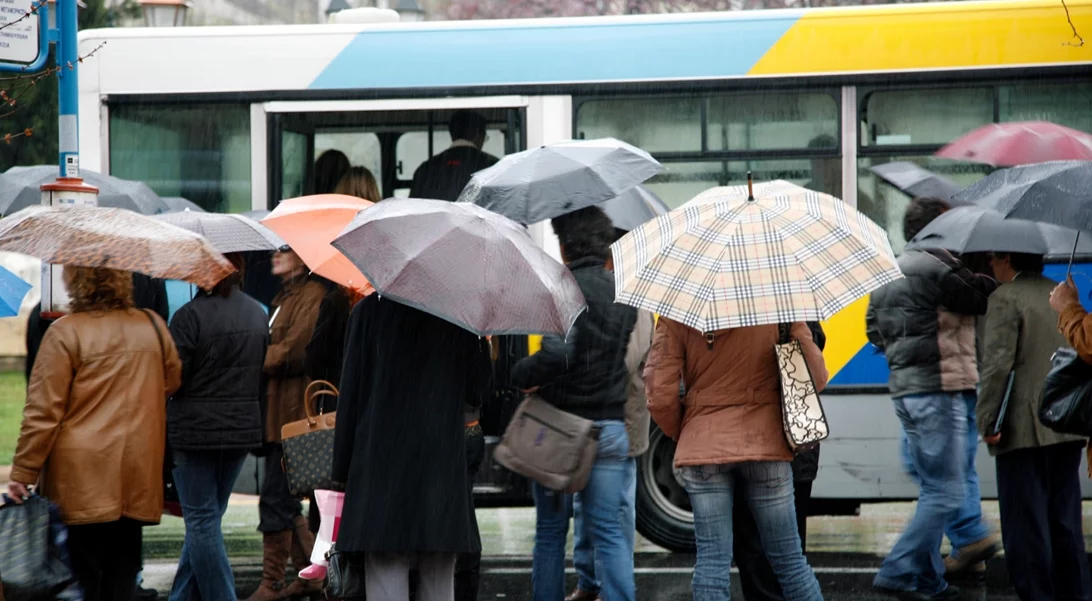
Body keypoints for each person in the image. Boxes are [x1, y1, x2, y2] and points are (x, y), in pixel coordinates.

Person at [7, 266, 182, 601]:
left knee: (84, 576)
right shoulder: (152, 325)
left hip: (80, 476)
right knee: (123, 573)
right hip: (137, 470)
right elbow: (171, 381)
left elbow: (43, 412)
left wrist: (23, 472)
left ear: (74, 283)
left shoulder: (65, 332)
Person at [865, 197, 1000, 601]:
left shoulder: (889, 268)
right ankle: (899, 569)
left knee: (935, 487)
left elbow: (874, 331)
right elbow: (983, 297)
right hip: (941, 390)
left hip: (906, 392)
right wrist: (984, 263)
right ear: (939, 226)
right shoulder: (940, 267)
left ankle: (928, 580)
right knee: (946, 490)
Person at [645, 312, 827, 601]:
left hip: (704, 443)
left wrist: (688, 430)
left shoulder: (679, 311)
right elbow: (815, 375)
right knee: (790, 562)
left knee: (712, 563)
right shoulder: (779, 304)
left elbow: (658, 392)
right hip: (765, 443)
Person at [510, 207, 638, 601]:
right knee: (609, 532)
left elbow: (558, 355)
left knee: (551, 531)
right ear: (603, 245)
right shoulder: (624, 292)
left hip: (560, 433)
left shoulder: (565, 288)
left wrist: (522, 374)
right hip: (611, 430)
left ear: (565, 247)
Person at [332, 295, 492, 601]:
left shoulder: (367, 312)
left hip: (381, 465)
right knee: (438, 573)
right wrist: (480, 342)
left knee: (386, 569)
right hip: (439, 466)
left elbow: (350, 395)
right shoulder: (457, 314)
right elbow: (479, 391)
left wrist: (341, 469)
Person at [978, 252, 1091, 601]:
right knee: (1065, 521)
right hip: (1066, 423)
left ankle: (1037, 594)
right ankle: (1076, 593)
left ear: (1005, 258)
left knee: (1026, 526)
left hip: (1022, 428)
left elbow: (997, 366)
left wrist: (986, 420)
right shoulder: (1058, 296)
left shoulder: (1004, 298)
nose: (989, 265)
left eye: (991, 258)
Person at [166, 253, 270, 601]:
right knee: (207, 521)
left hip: (194, 434)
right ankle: (180, 596)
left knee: (201, 522)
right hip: (240, 431)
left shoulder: (187, 317)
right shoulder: (258, 313)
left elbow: (171, 380)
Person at [567, 227, 654, 601]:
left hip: (623, 419)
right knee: (584, 510)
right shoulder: (602, 297)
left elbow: (628, 359)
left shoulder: (635, 301)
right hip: (592, 418)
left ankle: (609, 587)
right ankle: (589, 581)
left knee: (616, 510)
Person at [247, 246, 327, 601]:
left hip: (293, 414)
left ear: (303, 256)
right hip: (279, 412)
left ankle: (273, 582)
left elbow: (295, 350)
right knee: (284, 498)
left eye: (285, 249)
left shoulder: (312, 295)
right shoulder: (287, 296)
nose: (275, 255)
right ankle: (311, 574)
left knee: (277, 496)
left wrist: (253, 357)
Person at [733, 322, 826, 601]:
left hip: (752, 439)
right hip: (796, 440)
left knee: (754, 548)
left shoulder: (733, 309)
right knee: (790, 551)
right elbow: (817, 365)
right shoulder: (794, 303)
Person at [410, 110, 499, 202]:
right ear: (477, 134)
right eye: (485, 136)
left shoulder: (426, 168)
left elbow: (413, 208)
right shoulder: (493, 166)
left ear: (452, 133)